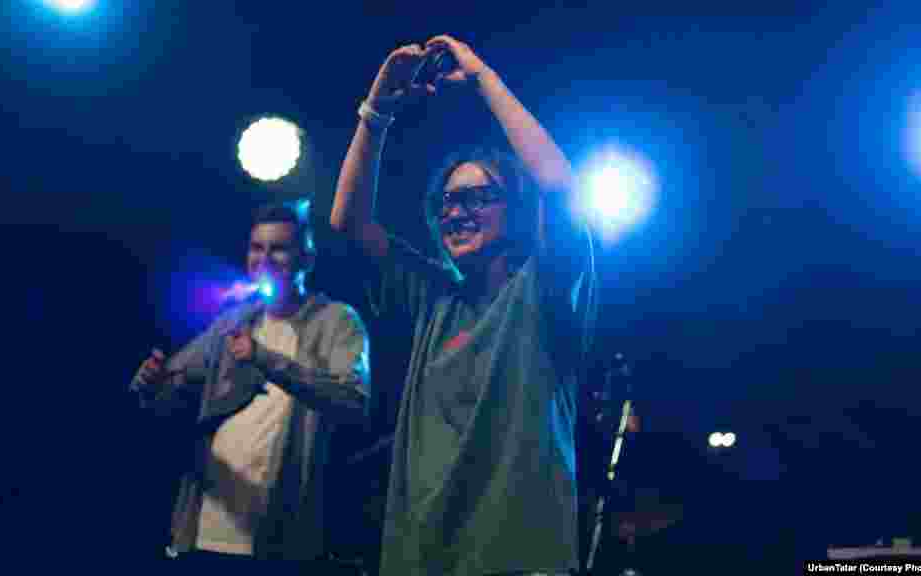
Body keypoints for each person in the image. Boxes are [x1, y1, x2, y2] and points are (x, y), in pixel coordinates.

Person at [330, 35, 597, 576]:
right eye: (448, 201)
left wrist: (482, 78)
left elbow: (559, 187)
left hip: (519, 559)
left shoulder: (544, 287)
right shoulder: (434, 296)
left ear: (516, 209)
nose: (456, 212)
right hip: (420, 559)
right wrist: (376, 111)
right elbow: (348, 222)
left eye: (478, 197)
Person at [130, 199, 371, 574]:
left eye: (279, 249)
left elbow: (354, 402)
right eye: (257, 248)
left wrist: (264, 358)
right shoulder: (233, 323)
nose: (265, 260)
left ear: (306, 259)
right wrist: (150, 382)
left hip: (280, 541)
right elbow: (168, 392)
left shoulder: (336, 321)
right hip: (207, 528)